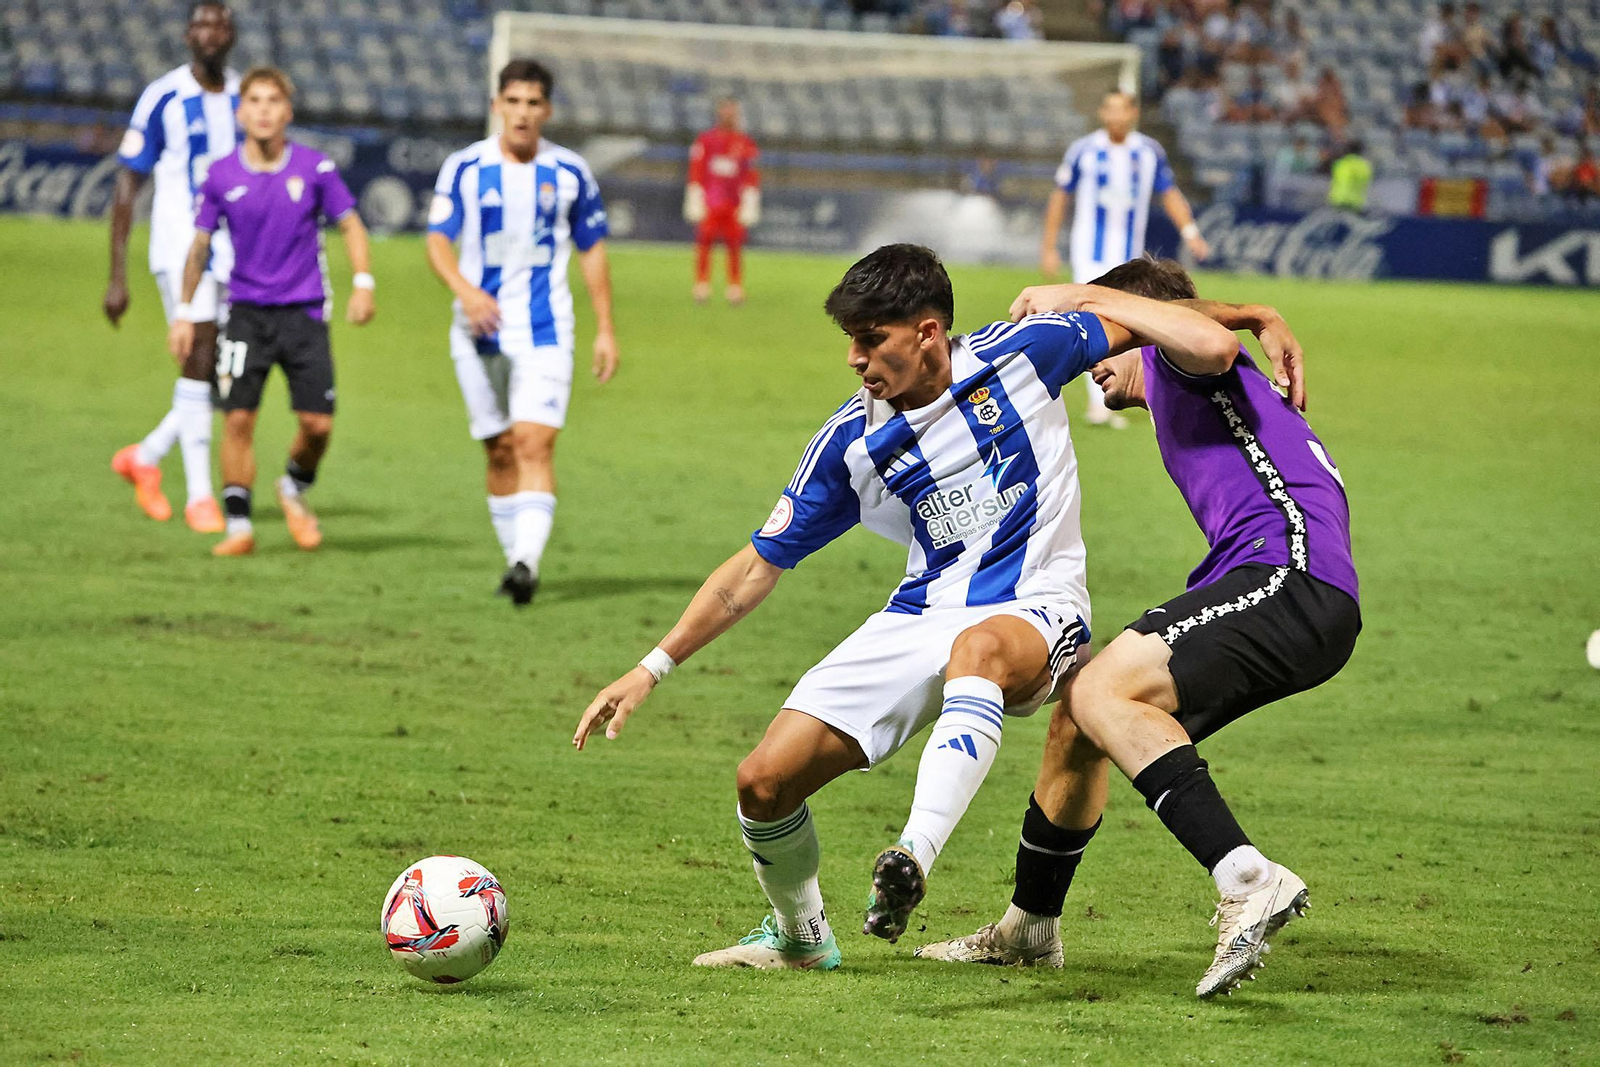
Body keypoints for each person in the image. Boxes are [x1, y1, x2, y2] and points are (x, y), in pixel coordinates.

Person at [573, 244, 1246, 971]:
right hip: (920, 612)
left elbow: (1158, 323)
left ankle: (909, 859)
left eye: (871, 340)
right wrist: (651, 667)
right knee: (763, 781)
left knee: (979, 650)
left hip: (1039, 603)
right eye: (851, 342)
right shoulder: (853, 441)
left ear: (928, 332)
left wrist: (1255, 316)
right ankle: (801, 935)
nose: (855, 359)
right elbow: (752, 569)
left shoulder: (1023, 354)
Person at [916, 257, 1360, 1000]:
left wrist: (1085, 296)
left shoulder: (1183, 363)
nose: (1090, 355)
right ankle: (1029, 924)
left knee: (1102, 690)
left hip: (1290, 578)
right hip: (1292, 589)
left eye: (1101, 336)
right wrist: (1254, 308)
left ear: (1140, 324)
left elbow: (1206, 340)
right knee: (1081, 717)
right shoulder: (1189, 379)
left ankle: (1247, 876)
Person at [426, 59, 619, 607]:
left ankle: (525, 563)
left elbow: (592, 250)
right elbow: (438, 240)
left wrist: (605, 328)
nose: (523, 113)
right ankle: (515, 558)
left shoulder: (570, 173)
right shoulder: (464, 168)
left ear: (547, 111)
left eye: (534, 103)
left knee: (535, 442)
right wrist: (465, 291)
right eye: (513, 101)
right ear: (496, 106)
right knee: (499, 451)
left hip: (544, 329)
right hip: (477, 330)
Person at [168, 66, 376, 556]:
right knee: (238, 420)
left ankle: (293, 487)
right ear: (240, 112)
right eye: (254, 101)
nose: (263, 110)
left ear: (288, 112)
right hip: (244, 314)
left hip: (303, 314)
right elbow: (199, 247)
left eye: (273, 101)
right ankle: (238, 527)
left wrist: (363, 284)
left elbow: (351, 225)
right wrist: (183, 311)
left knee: (317, 425)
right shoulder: (220, 174)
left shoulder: (315, 168)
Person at [104, 1, 238, 534]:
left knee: (228, 374)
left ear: (231, 34)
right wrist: (117, 275)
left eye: (220, 23)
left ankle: (146, 455)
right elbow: (127, 183)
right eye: (202, 23)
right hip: (180, 246)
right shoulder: (163, 96)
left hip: (236, 252)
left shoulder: (243, 95)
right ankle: (201, 498)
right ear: (187, 35)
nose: (211, 32)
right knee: (200, 355)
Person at [1040, 92, 1210, 429]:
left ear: (1134, 112)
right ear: (1102, 112)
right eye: (1110, 109)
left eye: (1123, 109)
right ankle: (1098, 403)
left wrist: (1190, 231)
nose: (1116, 116)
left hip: (1129, 258)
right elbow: (1060, 196)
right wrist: (1048, 245)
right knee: (1091, 322)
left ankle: (1134, 395)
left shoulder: (1148, 152)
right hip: (1089, 254)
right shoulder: (1084, 151)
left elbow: (1169, 192)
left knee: (1133, 327)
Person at [685, 97, 760, 306]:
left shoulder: (745, 143)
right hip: (711, 201)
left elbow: (751, 173)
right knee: (704, 241)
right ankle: (701, 284)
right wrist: (695, 196)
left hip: (734, 203)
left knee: (735, 244)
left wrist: (750, 200)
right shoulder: (706, 140)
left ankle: (735, 286)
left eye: (732, 112)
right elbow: (697, 168)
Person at [1328, 141, 1373, 210]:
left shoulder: (1342, 163)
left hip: (1340, 199)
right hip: (1358, 202)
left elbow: (1338, 180)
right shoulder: (1365, 166)